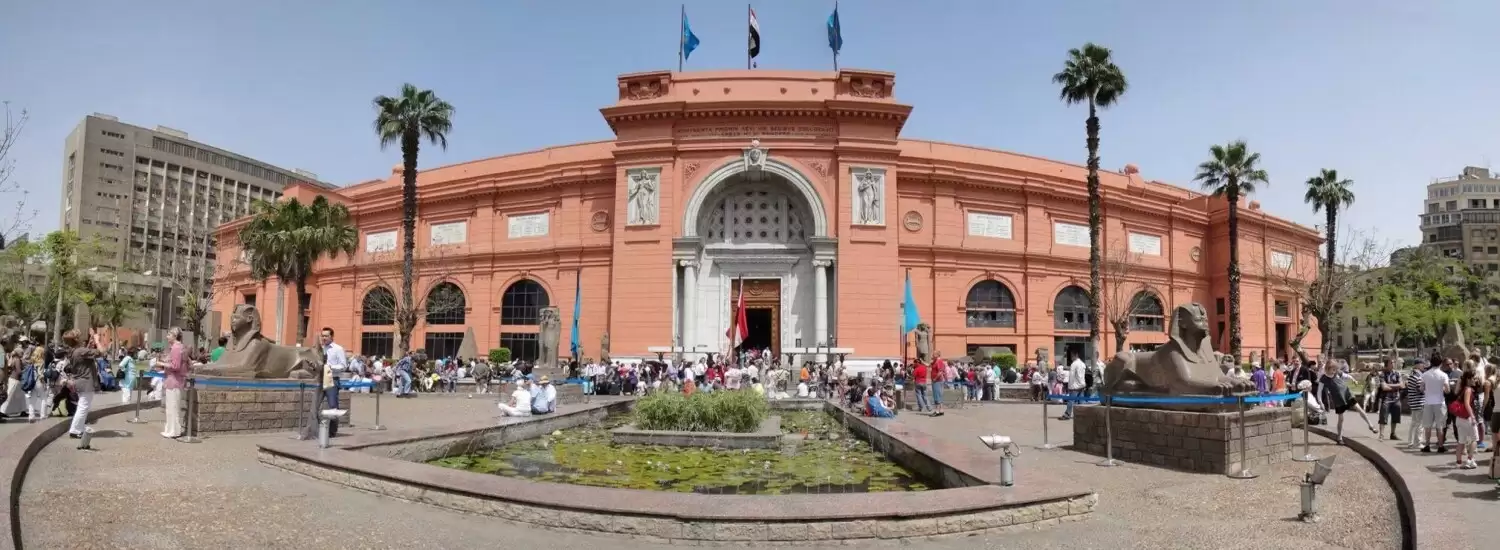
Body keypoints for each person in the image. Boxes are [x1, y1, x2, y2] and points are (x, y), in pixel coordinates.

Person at [1319, 360, 1376, 444]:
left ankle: (1371, 425)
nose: (1334, 371)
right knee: (1341, 419)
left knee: (1359, 409)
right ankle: (1339, 437)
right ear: (1328, 368)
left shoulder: (1337, 373)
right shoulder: (1324, 378)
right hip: (1338, 399)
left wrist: (1354, 380)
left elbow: (1347, 376)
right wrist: (1320, 402)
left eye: (1335, 369)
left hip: (1347, 394)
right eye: (1333, 369)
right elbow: (1319, 391)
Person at [61, 330, 101, 439]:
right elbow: (102, 352)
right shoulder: (81, 351)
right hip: (86, 382)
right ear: (77, 339)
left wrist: (90, 344)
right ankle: (75, 430)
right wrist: (97, 340)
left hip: (79, 381)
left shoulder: (73, 351)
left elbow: (86, 354)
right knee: (83, 407)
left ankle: (79, 427)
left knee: (82, 406)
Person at [314, 327, 348, 438]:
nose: (324, 338)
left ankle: (332, 431)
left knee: (333, 406)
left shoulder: (338, 349)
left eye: (326, 336)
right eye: (322, 336)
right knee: (315, 405)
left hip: (332, 380)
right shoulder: (320, 349)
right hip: (320, 380)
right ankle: (316, 429)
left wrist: (330, 367)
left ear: (332, 337)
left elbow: (343, 366)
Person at [161, 327, 189, 439]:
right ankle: (172, 429)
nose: (167, 337)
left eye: (169, 334)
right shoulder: (179, 347)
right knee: (172, 407)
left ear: (174, 336)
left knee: (172, 407)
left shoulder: (176, 348)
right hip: (175, 381)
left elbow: (175, 366)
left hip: (174, 381)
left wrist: (162, 364)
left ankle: (173, 430)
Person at [1420, 358, 1451, 453]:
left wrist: (1428, 390)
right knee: (1440, 425)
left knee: (1427, 426)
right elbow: (1447, 390)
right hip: (1440, 402)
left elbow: (1421, 388)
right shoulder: (1443, 375)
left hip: (1428, 401)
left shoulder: (1425, 374)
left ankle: (1427, 445)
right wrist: (1442, 389)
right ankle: (1440, 446)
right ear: (1440, 363)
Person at [1453, 368, 1480, 469]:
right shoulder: (1468, 389)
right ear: (1469, 379)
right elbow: (1467, 404)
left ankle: (1458, 462)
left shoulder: (1462, 388)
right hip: (1467, 418)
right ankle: (1469, 459)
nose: (1475, 380)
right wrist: (1473, 417)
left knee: (1461, 441)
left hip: (1459, 418)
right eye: (1474, 378)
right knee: (1474, 439)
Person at [1375, 358, 1404, 441]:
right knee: (1383, 416)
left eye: (1394, 362)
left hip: (1396, 398)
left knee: (1396, 416)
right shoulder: (1382, 374)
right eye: (1391, 362)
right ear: (1387, 364)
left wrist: (1388, 385)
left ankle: (1393, 434)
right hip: (1386, 398)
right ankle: (1381, 435)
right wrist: (1396, 386)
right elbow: (1384, 387)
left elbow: (1402, 385)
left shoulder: (1397, 373)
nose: (1393, 363)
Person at [1404, 360, 1427, 448]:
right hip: (1419, 402)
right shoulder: (1418, 376)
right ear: (1417, 365)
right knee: (1420, 424)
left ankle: (1410, 442)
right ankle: (1417, 442)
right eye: (1422, 364)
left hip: (1413, 402)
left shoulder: (1412, 375)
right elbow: (1421, 390)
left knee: (1413, 423)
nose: (1424, 366)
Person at [1061, 352, 1085, 420]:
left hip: (1075, 385)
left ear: (1075, 355)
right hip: (1082, 384)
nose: (1071, 358)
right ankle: (1082, 415)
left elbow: (1071, 376)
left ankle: (1067, 414)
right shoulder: (1082, 363)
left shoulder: (1074, 364)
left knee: (1071, 401)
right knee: (1081, 401)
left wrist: (1070, 386)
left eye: (1072, 356)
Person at [930, 352, 948, 417]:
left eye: (933, 354)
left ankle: (937, 411)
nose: (932, 355)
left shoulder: (939, 361)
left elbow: (940, 372)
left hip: (937, 381)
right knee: (939, 395)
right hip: (936, 381)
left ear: (937, 355)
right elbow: (928, 365)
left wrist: (935, 378)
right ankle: (941, 410)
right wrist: (922, 361)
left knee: (937, 396)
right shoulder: (935, 362)